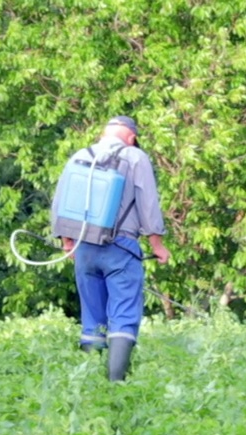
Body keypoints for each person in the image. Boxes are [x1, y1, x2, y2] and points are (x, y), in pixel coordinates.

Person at [50, 115, 170, 381]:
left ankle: (88, 382)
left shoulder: (80, 155)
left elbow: (60, 199)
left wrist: (66, 240)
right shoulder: (134, 157)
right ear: (131, 137)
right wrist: (157, 245)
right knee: (124, 312)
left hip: (84, 248)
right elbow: (147, 203)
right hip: (121, 247)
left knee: (93, 315)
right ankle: (116, 384)